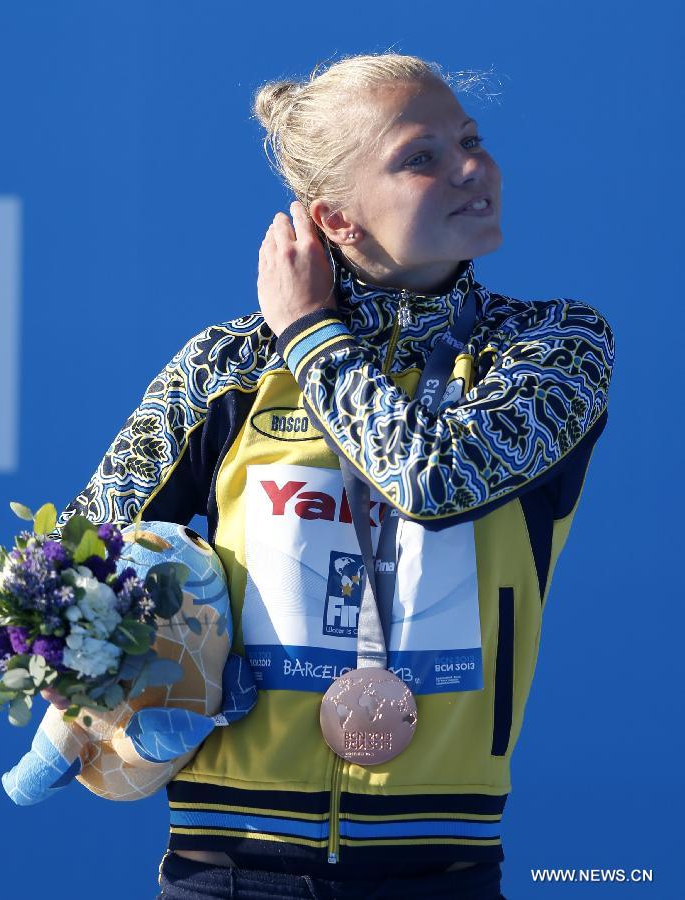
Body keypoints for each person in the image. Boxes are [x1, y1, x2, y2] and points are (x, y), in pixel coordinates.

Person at [49, 52, 614, 899]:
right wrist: (172, 671)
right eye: (421, 156)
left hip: (439, 863)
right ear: (337, 220)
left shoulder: (551, 349)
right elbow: (66, 569)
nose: (472, 167)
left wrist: (311, 334)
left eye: (470, 139)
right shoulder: (230, 365)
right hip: (226, 861)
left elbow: (434, 483)